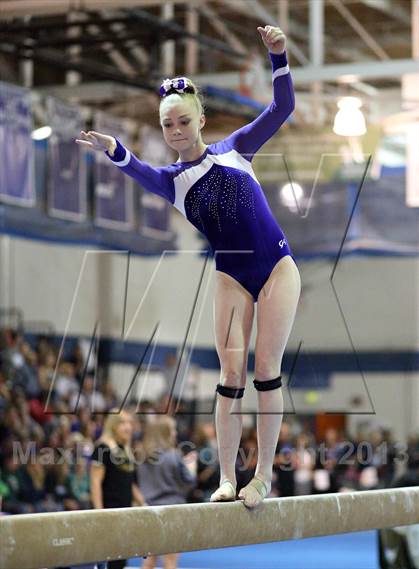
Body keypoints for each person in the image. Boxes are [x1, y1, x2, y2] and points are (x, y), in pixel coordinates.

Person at [76, 25, 301, 509]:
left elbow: (281, 109)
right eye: (167, 126)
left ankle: (262, 476)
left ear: (201, 120)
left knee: (265, 369)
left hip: (278, 266)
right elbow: (135, 166)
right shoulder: (172, 181)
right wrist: (114, 149)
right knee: (229, 375)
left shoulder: (236, 149)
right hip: (231, 274)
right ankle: (225, 477)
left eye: (183, 121)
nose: (175, 132)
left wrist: (279, 57)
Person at [135, 416, 196, 569]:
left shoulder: (142, 456)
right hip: (173, 511)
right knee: (170, 561)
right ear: (166, 433)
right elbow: (189, 481)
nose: (175, 433)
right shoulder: (173, 455)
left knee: (150, 560)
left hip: (149, 511)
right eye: (173, 430)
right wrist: (191, 465)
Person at [90, 410, 146, 569]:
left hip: (124, 511)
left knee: (121, 559)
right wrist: (99, 513)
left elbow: (129, 482)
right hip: (109, 510)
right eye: (123, 423)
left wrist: (143, 504)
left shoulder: (125, 449)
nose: (128, 427)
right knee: (109, 560)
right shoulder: (102, 448)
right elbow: (95, 483)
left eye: (129, 423)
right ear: (113, 426)